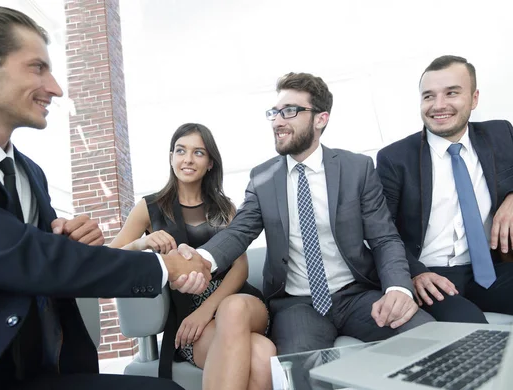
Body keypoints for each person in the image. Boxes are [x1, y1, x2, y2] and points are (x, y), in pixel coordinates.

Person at [0, 3, 211, 390]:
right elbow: (20, 255)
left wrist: (63, 244)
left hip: (43, 371)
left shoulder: (29, 172)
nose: (55, 87)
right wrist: (162, 267)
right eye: (37, 67)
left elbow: (38, 262)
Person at [175, 72, 433, 389]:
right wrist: (202, 259)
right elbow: (239, 231)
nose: (278, 121)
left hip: (358, 296)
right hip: (298, 305)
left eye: (290, 111)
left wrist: (397, 289)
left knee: (429, 339)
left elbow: (384, 238)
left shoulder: (356, 169)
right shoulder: (263, 178)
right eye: (275, 112)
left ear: (321, 119)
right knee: (299, 373)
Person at [110, 123, 276, 390]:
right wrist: (142, 243)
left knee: (232, 310)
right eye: (180, 151)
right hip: (188, 318)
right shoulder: (148, 208)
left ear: (210, 162)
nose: (187, 159)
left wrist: (207, 310)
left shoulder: (225, 207)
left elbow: (240, 268)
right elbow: (109, 259)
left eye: (198, 152)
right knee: (262, 354)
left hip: (240, 303)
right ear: (171, 157)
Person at [376, 55, 513, 323]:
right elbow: (381, 231)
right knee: (472, 331)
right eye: (428, 96)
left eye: (451, 93)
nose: (439, 105)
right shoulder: (394, 159)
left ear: (474, 99)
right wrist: (413, 273)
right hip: (431, 276)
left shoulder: (500, 134)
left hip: (492, 268)